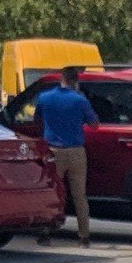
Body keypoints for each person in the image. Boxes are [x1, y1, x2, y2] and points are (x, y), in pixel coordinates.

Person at [33, 65, 95, 246]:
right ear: (75, 81)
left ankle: (45, 233)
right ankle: (84, 237)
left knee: (51, 193)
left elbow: (36, 119)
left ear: (62, 78)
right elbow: (94, 124)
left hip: (53, 151)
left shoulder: (44, 98)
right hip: (76, 151)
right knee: (79, 196)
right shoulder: (80, 100)